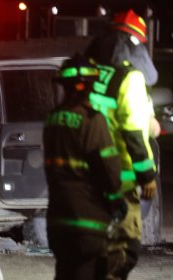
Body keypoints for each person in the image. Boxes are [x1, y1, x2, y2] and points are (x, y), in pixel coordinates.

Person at [85, 9, 157, 279]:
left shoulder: (91, 74)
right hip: (119, 180)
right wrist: (147, 175)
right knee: (125, 249)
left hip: (89, 175)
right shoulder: (130, 79)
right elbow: (133, 133)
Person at [44, 54, 126, 280]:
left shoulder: (52, 119)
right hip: (86, 222)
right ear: (88, 86)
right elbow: (108, 169)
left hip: (58, 222)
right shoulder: (92, 120)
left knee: (64, 273)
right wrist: (117, 198)